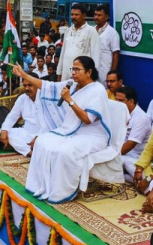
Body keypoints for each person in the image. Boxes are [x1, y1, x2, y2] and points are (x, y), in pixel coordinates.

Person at [12, 57, 112, 203]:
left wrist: (69, 100)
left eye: (77, 69)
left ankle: (61, 192)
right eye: (73, 69)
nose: (73, 73)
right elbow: (47, 86)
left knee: (63, 151)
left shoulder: (97, 90)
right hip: (71, 130)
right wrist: (24, 75)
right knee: (41, 142)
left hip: (92, 135)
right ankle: (42, 186)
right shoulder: (73, 85)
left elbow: (87, 119)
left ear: (89, 72)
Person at [0, 72, 50, 156]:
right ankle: (30, 152)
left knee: (49, 141)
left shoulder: (46, 99)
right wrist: (4, 131)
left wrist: (38, 137)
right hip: (26, 133)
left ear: (37, 84)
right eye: (25, 85)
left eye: (30, 85)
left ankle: (27, 149)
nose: (27, 88)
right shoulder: (22, 98)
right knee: (5, 130)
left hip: (43, 134)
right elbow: (12, 116)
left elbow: (50, 124)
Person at [115, 86, 153, 183]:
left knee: (108, 163)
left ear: (131, 101)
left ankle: (144, 181)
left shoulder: (141, 118)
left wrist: (111, 155)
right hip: (122, 153)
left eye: (120, 100)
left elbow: (130, 145)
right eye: (116, 100)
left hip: (135, 158)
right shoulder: (120, 112)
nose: (117, 103)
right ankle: (127, 177)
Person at [55, 4, 100, 81]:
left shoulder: (91, 31)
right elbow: (63, 53)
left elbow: (95, 55)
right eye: (72, 14)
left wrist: (92, 76)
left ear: (84, 15)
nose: (73, 17)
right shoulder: (68, 31)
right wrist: (59, 72)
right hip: (66, 73)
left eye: (76, 15)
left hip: (82, 74)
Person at [94, 5, 119, 84]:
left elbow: (116, 54)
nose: (96, 17)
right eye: (95, 15)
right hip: (92, 68)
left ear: (106, 17)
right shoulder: (92, 30)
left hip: (104, 70)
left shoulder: (112, 32)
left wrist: (112, 72)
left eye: (99, 15)